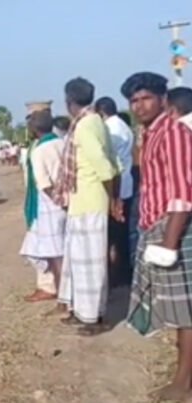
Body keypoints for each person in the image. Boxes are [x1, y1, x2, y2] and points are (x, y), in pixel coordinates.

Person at [121, 72, 192, 401]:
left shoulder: (174, 133)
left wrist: (169, 242)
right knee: (178, 312)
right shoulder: (150, 135)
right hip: (155, 226)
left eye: (146, 98)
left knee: (187, 313)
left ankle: (183, 384)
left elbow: (183, 192)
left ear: (163, 99)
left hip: (173, 227)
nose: (139, 105)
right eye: (134, 101)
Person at [52, 77, 119, 335]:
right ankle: (81, 311)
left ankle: (94, 318)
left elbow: (105, 167)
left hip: (90, 203)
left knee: (90, 266)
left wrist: (111, 200)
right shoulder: (93, 121)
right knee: (77, 264)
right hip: (81, 202)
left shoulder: (85, 126)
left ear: (69, 101)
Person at [20, 108, 67, 303]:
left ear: (33, 128)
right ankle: (55, 289)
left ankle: (57, 292)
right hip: (66, 201)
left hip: (49, 205)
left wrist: (59, 201)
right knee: (60, 250)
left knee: (51, 253)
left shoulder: (39, 150)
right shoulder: (62, 143)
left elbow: (44, 184)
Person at [95, 96, 134, 288]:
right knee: (122, 233)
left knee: (115, 234)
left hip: (118, 185)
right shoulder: (122, 125)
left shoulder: (109, 128)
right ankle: (123, 272)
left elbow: (109, 162)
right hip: (126, 182)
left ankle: (118, 275)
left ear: (101, 112)